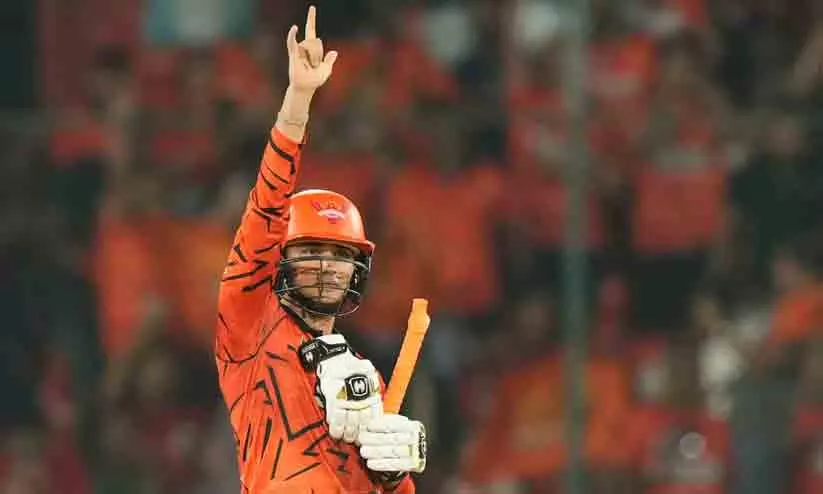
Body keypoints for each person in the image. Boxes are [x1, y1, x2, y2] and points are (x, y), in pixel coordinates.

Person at [214, 6, 426, 493]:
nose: (329, 267)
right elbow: (266, 209)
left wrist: (395, 478)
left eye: (342, 255)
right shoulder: (248, 330)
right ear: (281, 260)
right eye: (313, 251)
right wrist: (298, 100)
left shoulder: (365, 378)